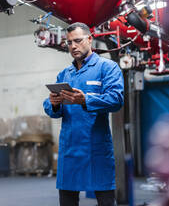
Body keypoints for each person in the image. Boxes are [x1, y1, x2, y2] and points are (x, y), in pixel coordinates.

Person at [43, 22, 124, 206]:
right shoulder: (65, 74)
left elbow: (116, 100)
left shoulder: (107, 68)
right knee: (67, 202)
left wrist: (86, 100)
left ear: (89, 39)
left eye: (78, 41)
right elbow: (52, 109)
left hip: (96, 149)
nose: (73, 46)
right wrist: (54, 104)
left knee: (105, 201)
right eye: (69, 42)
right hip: (70, 150)